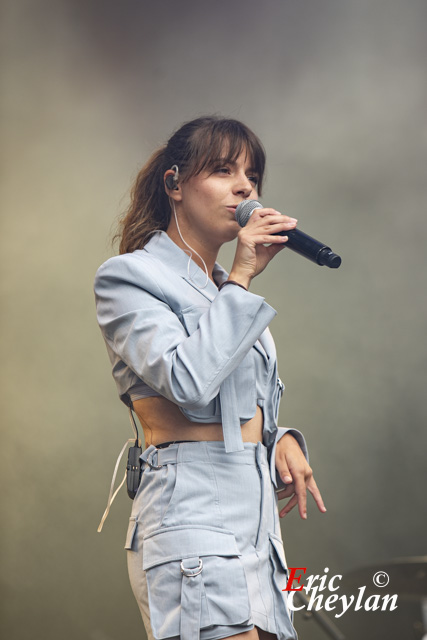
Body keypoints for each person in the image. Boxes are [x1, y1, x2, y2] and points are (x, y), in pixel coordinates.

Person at [94, 115, 326, 640]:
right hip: (193, 514)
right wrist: (241, 278)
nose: (245, 186)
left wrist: (277, 438)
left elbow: (237, 397)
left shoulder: (224, 289)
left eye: (252, 175)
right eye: (223, 170)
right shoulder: (129, 278)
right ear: (173, 183)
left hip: (257, 524)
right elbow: (187, 379)